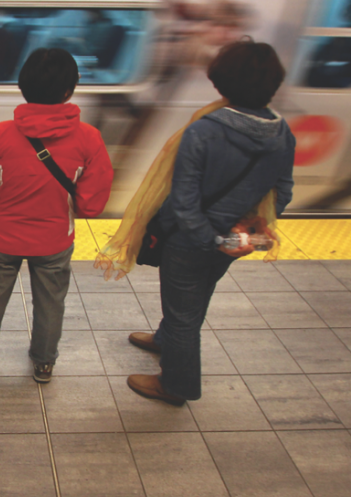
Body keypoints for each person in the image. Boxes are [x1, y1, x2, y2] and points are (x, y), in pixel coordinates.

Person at [126, 40, 295, 405]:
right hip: (235, 241)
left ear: (222, 80)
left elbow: (184, 200)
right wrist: (244, 232)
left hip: (192, 241)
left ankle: (176, 385)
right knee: (197, 297)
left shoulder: (204, 130)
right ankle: (165, 338)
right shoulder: (282, 133)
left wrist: (209, 239)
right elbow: (283, 192)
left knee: (184, 310)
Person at [0, 48, 113, 384]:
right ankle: (44, 363)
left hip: (2, 237)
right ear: (69, 90)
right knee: (51, 303)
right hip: (55, 240)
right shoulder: (89, 138)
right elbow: (91, 205)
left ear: (22, 86)